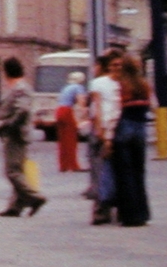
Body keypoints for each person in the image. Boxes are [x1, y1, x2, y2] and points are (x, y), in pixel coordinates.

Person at [0, 57, 45, 217]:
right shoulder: (18, 87)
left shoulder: (20, 88)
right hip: (15, 133)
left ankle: (35, 198)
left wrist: (7, 125)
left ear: (6, 71)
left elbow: (22, 110)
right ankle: (15, 207)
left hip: (16, 135)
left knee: (12, 171)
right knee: (17, 170)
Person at [110, 54, 153, 227]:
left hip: (124, 128)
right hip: (140, 129)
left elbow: (115, 111)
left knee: (124, 172)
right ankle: (142, 213)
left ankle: (129, 215)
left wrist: (107, 134)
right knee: (139, 172)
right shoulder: (144, 86)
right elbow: (151, 106)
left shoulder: (120, 86)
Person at [87, 52, 122, 225]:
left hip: (116, 130)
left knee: (108, 171)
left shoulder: (123, 83)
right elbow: (96, 108)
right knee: (100, 171)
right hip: (101, 131)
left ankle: (109, 208)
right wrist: (100, 130)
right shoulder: (99, 84)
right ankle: (101, 209)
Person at [56, 72, 88, 173]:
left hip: (59, 111)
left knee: (62, 140)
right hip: (67, 111)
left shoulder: (66, 87)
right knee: (71, 139)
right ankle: (74, 165)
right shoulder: (78, 87)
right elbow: (81, 102)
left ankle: (63, 165)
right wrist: (84, 114)